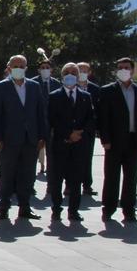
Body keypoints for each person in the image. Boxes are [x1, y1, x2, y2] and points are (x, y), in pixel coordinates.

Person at [0, 55, 47, 221]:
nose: (18, 68)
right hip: (9, 139)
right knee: (7, 175)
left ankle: (25, 207)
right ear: (8, 68)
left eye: (21, 65)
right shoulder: (1, 87)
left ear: (26, 68)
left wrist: (42, 136)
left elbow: (40, 112)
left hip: (31, 139)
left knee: (28, 175)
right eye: (15, 65)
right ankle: (4, 208)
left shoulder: (34, 86)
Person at [98, 57, 137, 223]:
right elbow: (103, 117)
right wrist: (105, 139)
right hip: (114, 140)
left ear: (133, 70)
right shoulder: (107, 91)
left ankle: (129, 210)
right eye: (120, 67)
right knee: (111, 176)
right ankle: (109, 208)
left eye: (126, 67)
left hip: (134, 139)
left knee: (131, 176)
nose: (123, 70)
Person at [47, 63, 94, 222]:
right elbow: (51, 120)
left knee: (76, 180)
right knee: (57, 179)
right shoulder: (54, 96)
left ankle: (73, 210)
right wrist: (68, 134)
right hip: (60, 144)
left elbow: (90, 118)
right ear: (62, 75)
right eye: (67, 72)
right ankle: (56, 209)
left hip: (79, 145)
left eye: (74, 72)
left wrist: (79, 134)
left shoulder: (85, 96)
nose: (70, 75)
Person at [76, 61, 102, 197]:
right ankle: (70, 185)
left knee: (87, 158)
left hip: (89, 130)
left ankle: (87, 185)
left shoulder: (95, 89)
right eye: (80, 70)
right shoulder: (69, 86)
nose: (82, 73)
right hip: (73, 130)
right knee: (72, 158)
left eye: (85, 70)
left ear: (90, 72)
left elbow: (99, 110)